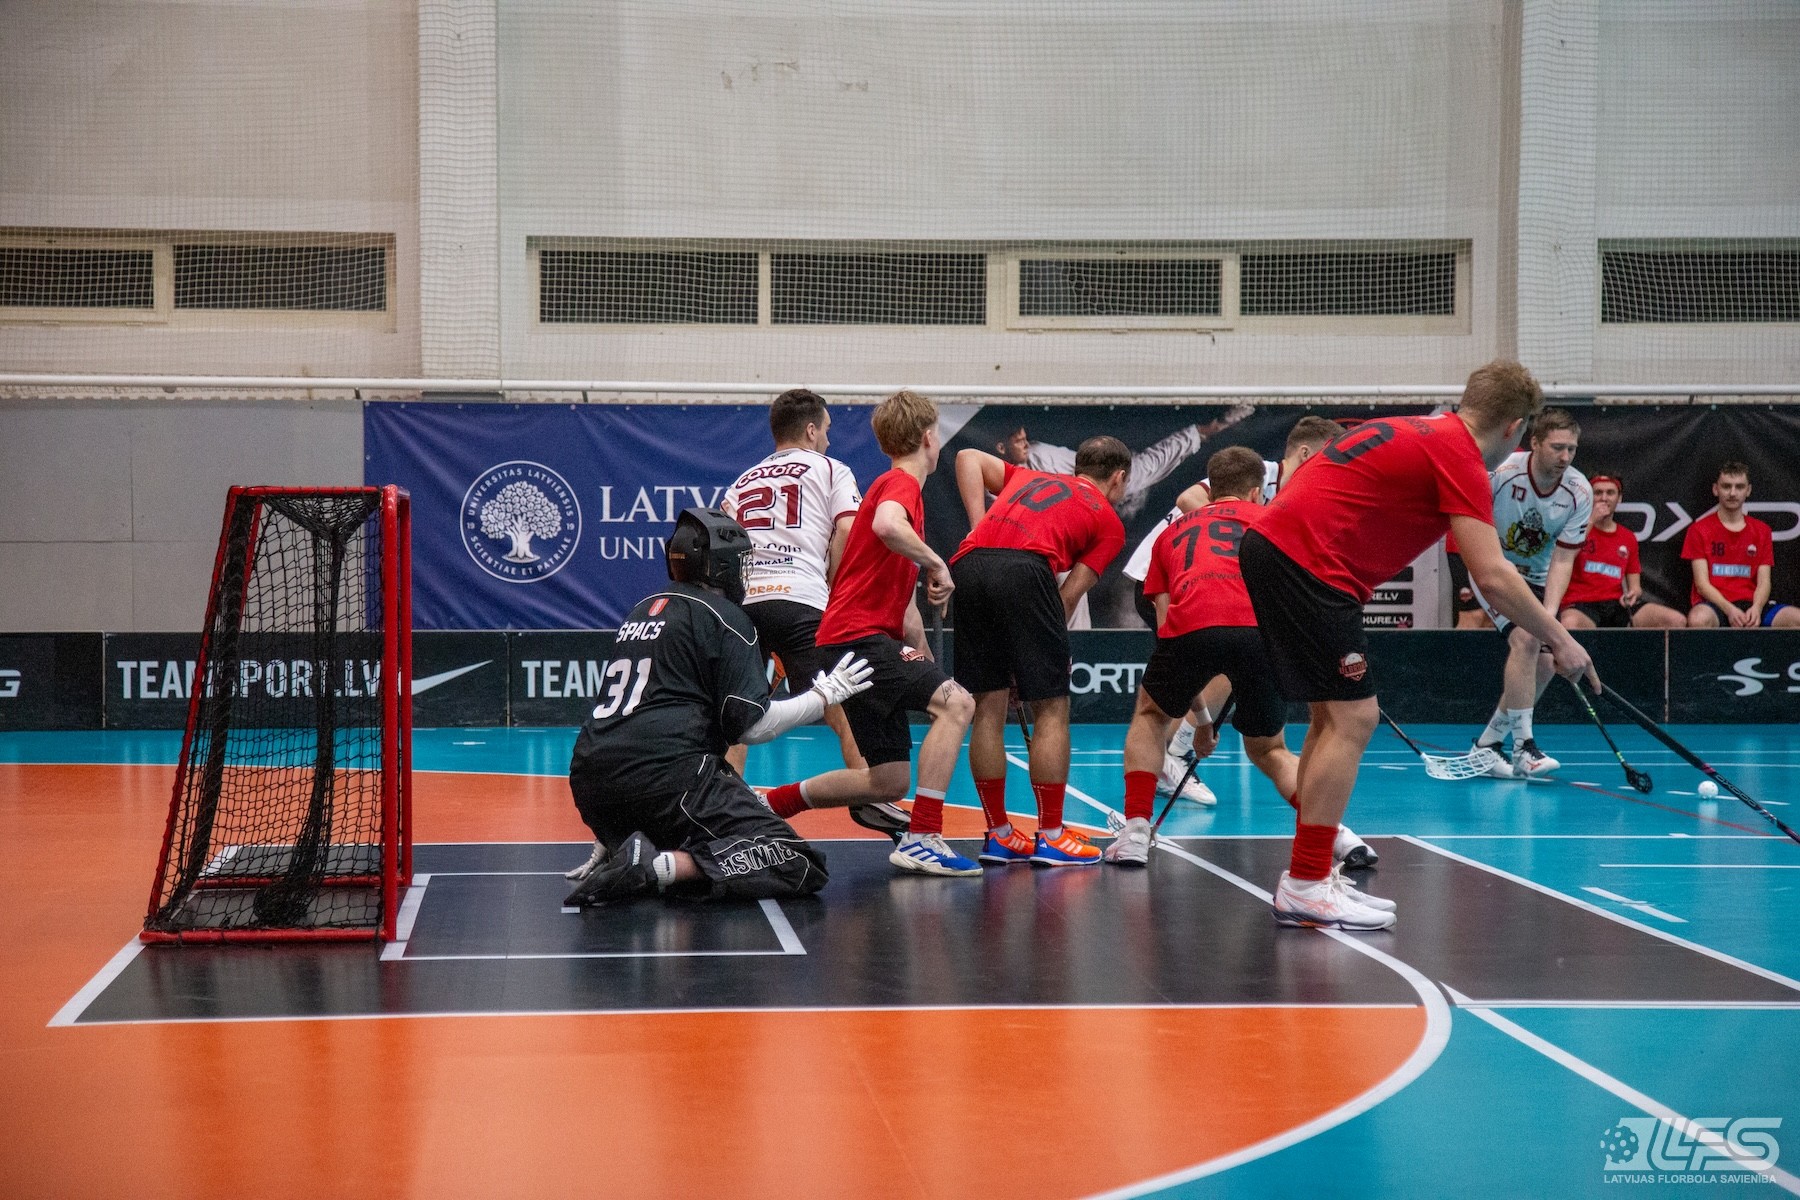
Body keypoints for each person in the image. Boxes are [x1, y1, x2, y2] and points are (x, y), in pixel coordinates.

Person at [1239, 361, 1597, 932]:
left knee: (1331, 716)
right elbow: (1494, 576)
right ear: (1514, 429)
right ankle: (1305, 883)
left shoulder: (1417, 429)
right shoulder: (1459, 456)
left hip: (1283, 551)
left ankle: (1311, 874)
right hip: (1309, 564)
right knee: (1356, 718)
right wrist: (1562, 640)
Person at [563, 508, 876, 906]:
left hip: (591, 785)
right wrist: (823, 696)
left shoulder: (642, 610)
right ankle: (657, 867)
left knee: (696, 814)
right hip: (669, 781)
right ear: (719, 567)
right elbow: (753, 727)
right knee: (799, 861)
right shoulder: (726, 617)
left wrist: (609, 831)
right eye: (741, 563)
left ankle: (631, 849)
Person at [1116, 415, 1347, 814]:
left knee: (1227, 657)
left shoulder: (1295, 495)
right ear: (1305, 452)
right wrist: (1251, 528)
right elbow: (1187, 500)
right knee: (1212, 663)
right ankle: (1176, 753)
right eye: (1328, 459)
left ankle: (1181, 747)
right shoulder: (1256, 473)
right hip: (1166, 576)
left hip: (1209, 585)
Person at [720, 388, 910, 841]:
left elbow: (724, 549)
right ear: (809, 430)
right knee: (841, 700)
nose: (828, 439)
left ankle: (723, 809)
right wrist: (834, 585)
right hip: (801, 597)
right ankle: (870, 796)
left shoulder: (741, 482)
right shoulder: (830, 468)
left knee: (734, 710)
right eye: (825, 430)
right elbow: (848, 528)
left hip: (743, 604)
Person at [811, 390, 982, 877]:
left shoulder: (892, 487)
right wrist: (936, 562)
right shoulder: (901, 484)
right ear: (929, 438)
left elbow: (904, 611)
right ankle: (923, 837)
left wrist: (925, 664)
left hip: (847, 639)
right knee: (960, 704)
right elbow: (889, 525)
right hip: (858, 639)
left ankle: (768, 805)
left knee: (887, 780)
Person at [1107, 447, 1301, 867]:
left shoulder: (1171, 534)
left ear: (1210, 490)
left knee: (1151, 716)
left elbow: (1168, 632)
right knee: (1271, 750)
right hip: (1261, 633)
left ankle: (1136, 833)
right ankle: (1337, 838)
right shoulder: (1277, 523)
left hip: (1191, 626)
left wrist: (1202, 720)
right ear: (1257, 491)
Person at [950, 434, 1132, 867]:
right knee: (1051, 708)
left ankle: (998, 835)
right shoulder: (1109, 522)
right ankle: (1051, 836)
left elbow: (967, 457)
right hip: (1027, 571)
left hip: (970, 565)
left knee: (988, 709)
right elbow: (1066, 599)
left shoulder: (1030, 478)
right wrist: (1035, 662)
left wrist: (978, 527)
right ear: (1119, 478)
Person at [1468, 409, 1593, 779]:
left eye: (1572, 449)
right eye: (1557, 447)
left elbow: (1563, 560)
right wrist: (1538, 627)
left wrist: (1549, 616)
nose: (1565, 457)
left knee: (1544, 664)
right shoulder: (1502, 474)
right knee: (1525, 638)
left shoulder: (1579, 492)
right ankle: (1524, 748)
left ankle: (1487, 746)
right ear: (1534, 443)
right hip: (1494, 569)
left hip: (1537, 579)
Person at [996, 404, 1253, 520]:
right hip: (1056, 535)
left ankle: (1204, 431)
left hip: (1114, 506)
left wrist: (1197, 434)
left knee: (1138, 472)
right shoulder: (994, 478)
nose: (1025, 443)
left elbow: (1111, 471)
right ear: (1000, 447)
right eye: (1018, 441)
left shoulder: (1041, 454)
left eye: (1025, 437)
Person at [1558, 475, 1685, 631]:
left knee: (1675, 620)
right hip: (1581, 604)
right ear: (1589, 497)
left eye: (1610, 493)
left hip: (1617, 604)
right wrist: (1591, 520)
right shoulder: (1574, 528)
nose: (1604, 498)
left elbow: (1635, 587)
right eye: (1598, 493)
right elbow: (1564, 557)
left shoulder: (1628, 537)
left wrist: (1633, 594)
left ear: (1619, 498)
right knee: (1569, 623)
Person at [1683, 462, 1800, 629]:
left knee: (1797, 619)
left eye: (1739, 487)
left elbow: (1764, 582)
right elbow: (1702, 585)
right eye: (1726, 486)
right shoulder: (1698, 530)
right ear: (1715, 489)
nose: (1732, 493)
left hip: (1752, 605)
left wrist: (1757, 608)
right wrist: (1729, 610)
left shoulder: (1762, 530)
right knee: (1698, 619)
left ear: (1748, 490)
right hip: (1715, 606)